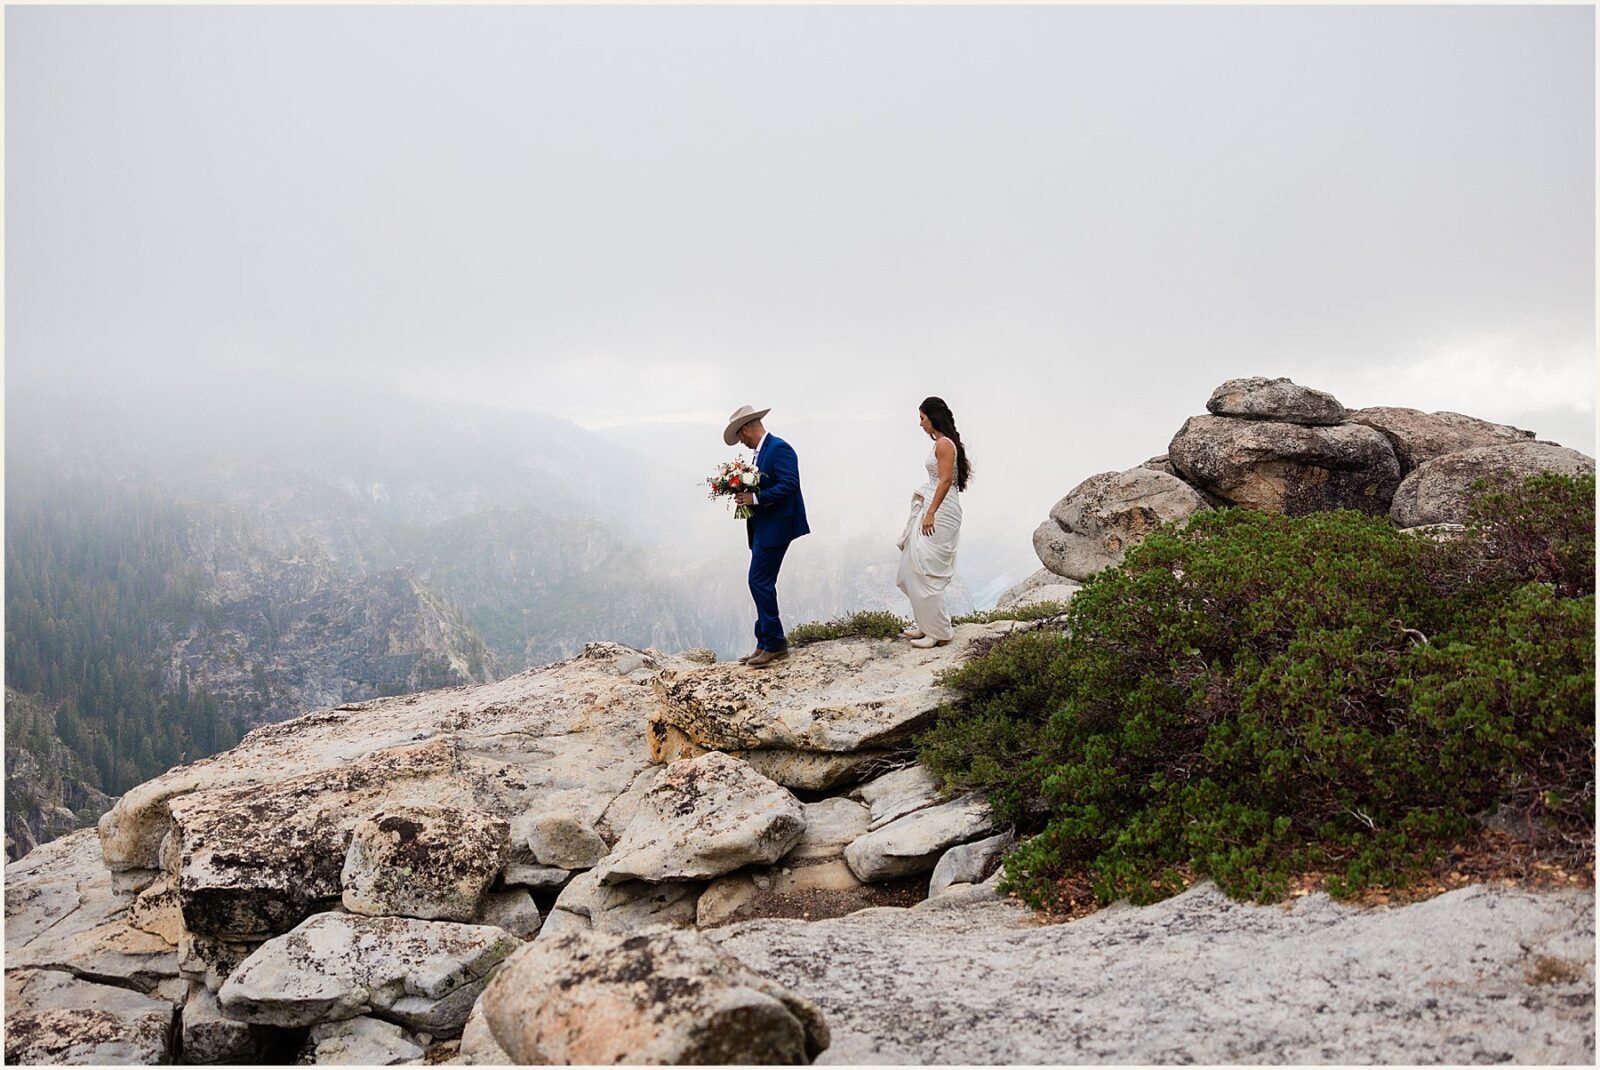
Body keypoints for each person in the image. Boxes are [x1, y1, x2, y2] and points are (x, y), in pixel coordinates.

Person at [725, 404, 809, 668]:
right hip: (765, 525)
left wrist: (755, 498)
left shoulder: (779, 448)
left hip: (777, 526)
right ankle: (764, 641)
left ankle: (774, 643)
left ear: (746, 429)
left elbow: (789, 484)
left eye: (740, 436)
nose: (741, 441)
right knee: (762, 581)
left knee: (758, 581)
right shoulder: (762, 452)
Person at [896, 396, 971, 648]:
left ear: (933, 417)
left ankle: (938, 632)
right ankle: (926, 624)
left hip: (942, 511)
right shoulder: (941, 443)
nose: (920, 423)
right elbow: (938, 480)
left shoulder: (944, 444)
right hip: (934, 505)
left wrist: (931, 512)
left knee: (926, 569)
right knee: (913, 567)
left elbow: (946, 480)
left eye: (922, 418)